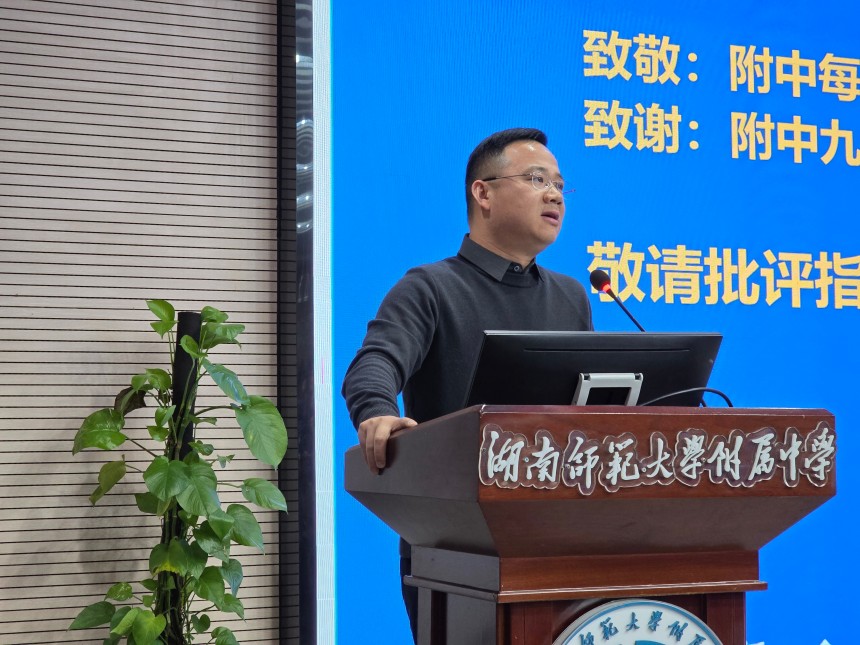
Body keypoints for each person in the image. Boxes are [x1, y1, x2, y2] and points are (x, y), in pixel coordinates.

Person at [341, 127, 593, 641]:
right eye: (537, 179)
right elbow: (374, 363)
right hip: (456, 545)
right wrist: (377, 412)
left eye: (560, 184)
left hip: (561, 540)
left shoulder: (571, 296)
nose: (554, 195)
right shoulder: (431, 287)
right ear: (483, 193)